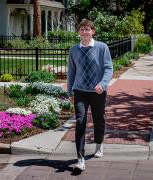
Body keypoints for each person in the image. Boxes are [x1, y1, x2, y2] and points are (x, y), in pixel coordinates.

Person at [67, 19, 113, 171]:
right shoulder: (73, 50)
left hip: (98, 92)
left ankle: (99, 145)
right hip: (80, 91)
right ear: (78, 32)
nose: (85, 32)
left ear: (93, 31)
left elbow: (108, 69)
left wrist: (103, 83)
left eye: (87, 29)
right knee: (80, 121)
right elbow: (71, 73)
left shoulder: (102, 47)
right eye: (82, 29)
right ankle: (80, 159)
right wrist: (70, 92)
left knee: (99, 119)